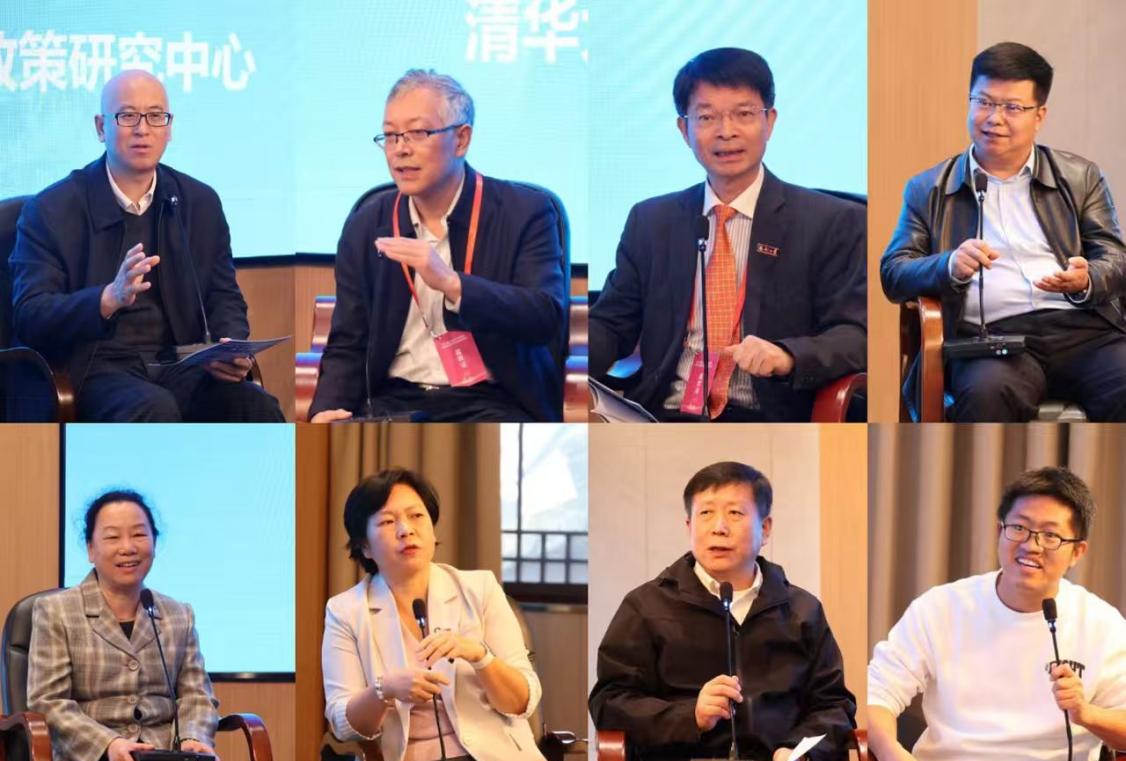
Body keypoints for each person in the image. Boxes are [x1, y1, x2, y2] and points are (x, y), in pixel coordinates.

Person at [588, 48, 867, 422]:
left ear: (769, 121)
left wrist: (787, 355)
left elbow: (856, 334)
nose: (726, 131)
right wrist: (562, 364)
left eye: (744, 114)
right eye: (706, 117)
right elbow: (611, 324)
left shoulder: (830, 221)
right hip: (663, 414)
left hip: (769, 417)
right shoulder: (652, 221)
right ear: (684, 130)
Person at [589, 461, 859, 761]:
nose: (719, 527)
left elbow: (833, 703)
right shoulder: (646, 606)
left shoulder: (801, 610)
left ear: (766, 528)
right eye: (706, 514)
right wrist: (690, 716)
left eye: (735, 513)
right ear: (688, 526)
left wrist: (800, 753)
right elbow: (610, 701)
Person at [868, 467, 1126, 761]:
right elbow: (877, 694)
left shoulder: (1102, 623)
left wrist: (1087, 714)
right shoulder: (941, 607)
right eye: (1019, 528)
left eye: (1050, 535)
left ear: (1077, 552)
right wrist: (890, 752)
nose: (1031, 545)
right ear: (999, 531)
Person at [9, 69, 283, 423]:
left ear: (169, 128)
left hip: (182, 363)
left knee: (254, 405)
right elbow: (30, 314)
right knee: (153, 408)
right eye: (127, 116)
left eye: (155, 116)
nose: (143, 129)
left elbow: (223, 294)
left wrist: (230, 346)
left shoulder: (199, 202)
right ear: (100, 127)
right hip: (95, 369)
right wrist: (107, 299)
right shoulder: (51, 209)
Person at [321, 468, 575, 761]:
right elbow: (343, 723)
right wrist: (385, 689)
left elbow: (523, 699)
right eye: (388, 522)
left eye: (416, 516)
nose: (406, 529)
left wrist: (481, 657)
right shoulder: (346, 612)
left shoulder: (480, 589)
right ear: (365, 547)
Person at [881, 42, 1126, 422]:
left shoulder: (1080, 177)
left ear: (1039, 115)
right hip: (993, 341)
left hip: (1084, 331)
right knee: (987, 393)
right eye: (983, 102)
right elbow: (894, 272)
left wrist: (1088, 278)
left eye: (1012, 107)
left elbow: (1116, 258)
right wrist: (949, 265)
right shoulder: (928, 188)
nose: (994, 118)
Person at [309, 70, 567, 423]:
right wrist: (326, 410)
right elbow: (348, 342)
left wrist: (453, 284)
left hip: (494, 402)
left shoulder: (525, 212)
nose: (400, 149)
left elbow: (544, 316)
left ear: (461, 139)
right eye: (390, 135)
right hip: (393, 403)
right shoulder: (367, 224)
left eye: (418, 133)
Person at [27, 490, 243, 761]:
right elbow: (47, 702)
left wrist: (193, 738)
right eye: (112, 537)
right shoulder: (57, 612)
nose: (128, 547)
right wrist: (109, 745)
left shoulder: (178, 614)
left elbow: (196, 694)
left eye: (139, 534)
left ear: (154, 543)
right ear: (91, 549)